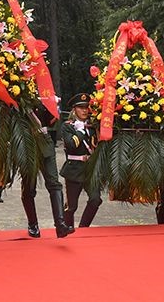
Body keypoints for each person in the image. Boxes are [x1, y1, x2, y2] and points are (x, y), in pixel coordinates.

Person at [20, 101, 76, 240]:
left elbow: (50, 121)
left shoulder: (44, 96)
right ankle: (33, 224)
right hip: (26, 144)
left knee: (54, 183)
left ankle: (60, 224)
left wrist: (53, 106)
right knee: (29, 187)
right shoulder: (20, 98)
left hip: (45, 142)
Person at [60, 93, 102, 228]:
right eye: (81, 108)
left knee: (96, 200)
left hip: (90, 169)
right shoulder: (68, 126)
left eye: (86, 108)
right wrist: (80, 131)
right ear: (74, 109)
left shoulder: (93, 126)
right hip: (74, 169)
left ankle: (84, 228)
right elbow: (71, 145)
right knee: (71, 207)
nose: (84, 111)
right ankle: (67, 229)